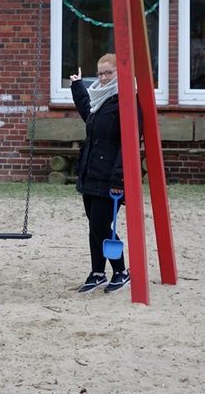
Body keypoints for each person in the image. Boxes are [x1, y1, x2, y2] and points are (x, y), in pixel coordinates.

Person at [69, 53, 134, 294]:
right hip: (91, 171)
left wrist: (119, 178)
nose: (103, 78)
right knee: (95, 225)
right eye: (99, 73)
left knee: (101, 225)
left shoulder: (126, 102)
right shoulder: (99, 100)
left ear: (121, 74)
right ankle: (97, 272)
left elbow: (127, 144)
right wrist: (77, 86)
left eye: (109, 73)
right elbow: (88, 113)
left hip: (110, 177)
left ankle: (121, 271)